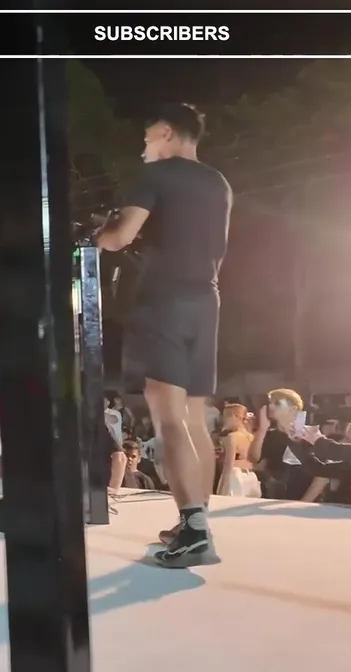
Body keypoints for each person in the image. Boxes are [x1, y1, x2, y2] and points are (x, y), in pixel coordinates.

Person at [95, 103, 231, 568]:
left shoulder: (154, 175)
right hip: (206, 299)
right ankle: (198, 519)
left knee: (168, 416)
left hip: (164, 301)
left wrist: (101, 232)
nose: (144, 148)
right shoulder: (218, 182)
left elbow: (119, 237)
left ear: (167, 132)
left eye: (148, 139)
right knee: (194, 418)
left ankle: (194, 533)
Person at [217, 404, 260, 497]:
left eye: (226, 416)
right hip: (251, 477)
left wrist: (221, 491)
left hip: (235, 477)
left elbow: (229, 464)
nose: (224, 420)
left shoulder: (232, 437)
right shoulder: (251, 437)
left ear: (235, 416)